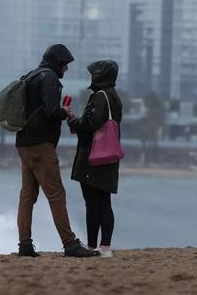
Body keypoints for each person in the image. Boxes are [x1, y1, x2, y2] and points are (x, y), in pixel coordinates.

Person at [15, 43, 99, 258]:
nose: (67, 69)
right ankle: (70, 244)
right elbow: (52, 112)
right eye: (65, 65)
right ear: (57, 63)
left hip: (24, 143)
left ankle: (25, 245)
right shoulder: (50, 79)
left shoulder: (31, 76)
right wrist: (64, 111)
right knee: (56, 194)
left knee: (27, 195)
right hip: (41, 145)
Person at [67, 59, 123, 258]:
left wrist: (71, 119)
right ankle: (105, 246)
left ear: (101, 76)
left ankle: (92, 246)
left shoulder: (100, 96)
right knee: (104, 202)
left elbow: (91, 124)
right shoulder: (114, 96)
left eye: (94, 74)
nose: (92, 77)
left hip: (93, 158)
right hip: (108, 156)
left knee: (92, 203)